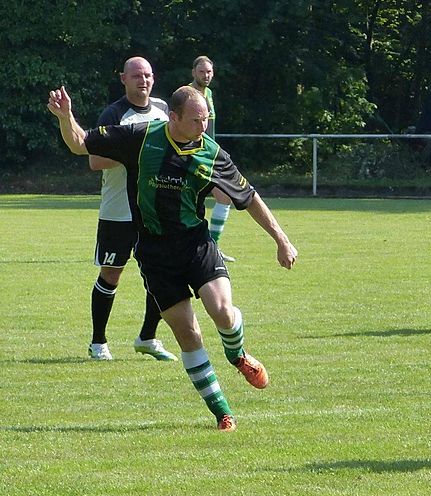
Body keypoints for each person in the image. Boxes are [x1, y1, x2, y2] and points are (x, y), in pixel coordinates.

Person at [48, 84, 298, 432]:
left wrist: (281, 240)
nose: (203, 126)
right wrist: (65, 116)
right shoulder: (140, 137)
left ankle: (237, 354)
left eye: (206, 119)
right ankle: (222, 412)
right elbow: (80, 143)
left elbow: (249, 197)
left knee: (223, 312)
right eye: (196, 120)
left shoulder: (212, 153)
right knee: (188, 334)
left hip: (196, 245)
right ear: (174, 117)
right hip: (155, 255)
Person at [86, 56, 177, 362]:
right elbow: (94, 160)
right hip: (118, 211)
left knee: (162, 272)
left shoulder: (163, 109)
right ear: (123, 79)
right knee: (111, 274)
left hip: (153, 210)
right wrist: (136, 152)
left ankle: (148, 338)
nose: (143, 80)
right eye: (136, 75)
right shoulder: (113, 114)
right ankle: (98, 343)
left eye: (148, 75)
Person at [189, 55, 234, 260]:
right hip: (193, 157)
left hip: (208, 156)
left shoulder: (208, 93)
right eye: (201, 71)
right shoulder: (188, 94)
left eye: (208, 72)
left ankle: (212, 247)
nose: (206, 75)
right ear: (193, 73)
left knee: (224, 197)